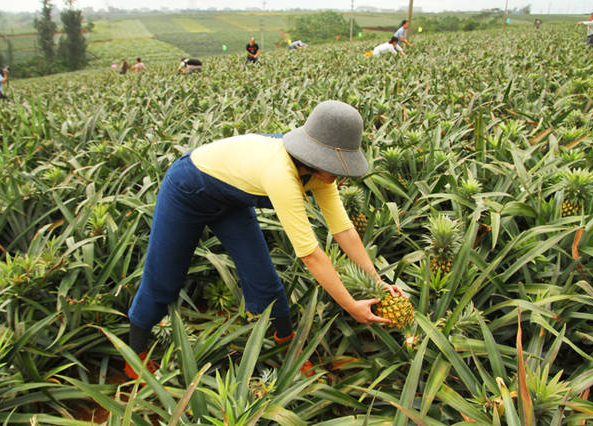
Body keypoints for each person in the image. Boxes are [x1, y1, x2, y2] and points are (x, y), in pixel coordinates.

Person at [125, 100, 406, 379]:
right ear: (316, 157)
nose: (340, 174)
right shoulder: (281, 173)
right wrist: (350, 306)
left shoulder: (323, 176)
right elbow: (310, 254)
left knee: (263, 277)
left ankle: (285, 343)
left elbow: (343, 230)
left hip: (231, 198)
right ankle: (133, 355)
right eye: (336, 165)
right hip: (187, 189)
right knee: (165, 276)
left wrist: (377, 281)